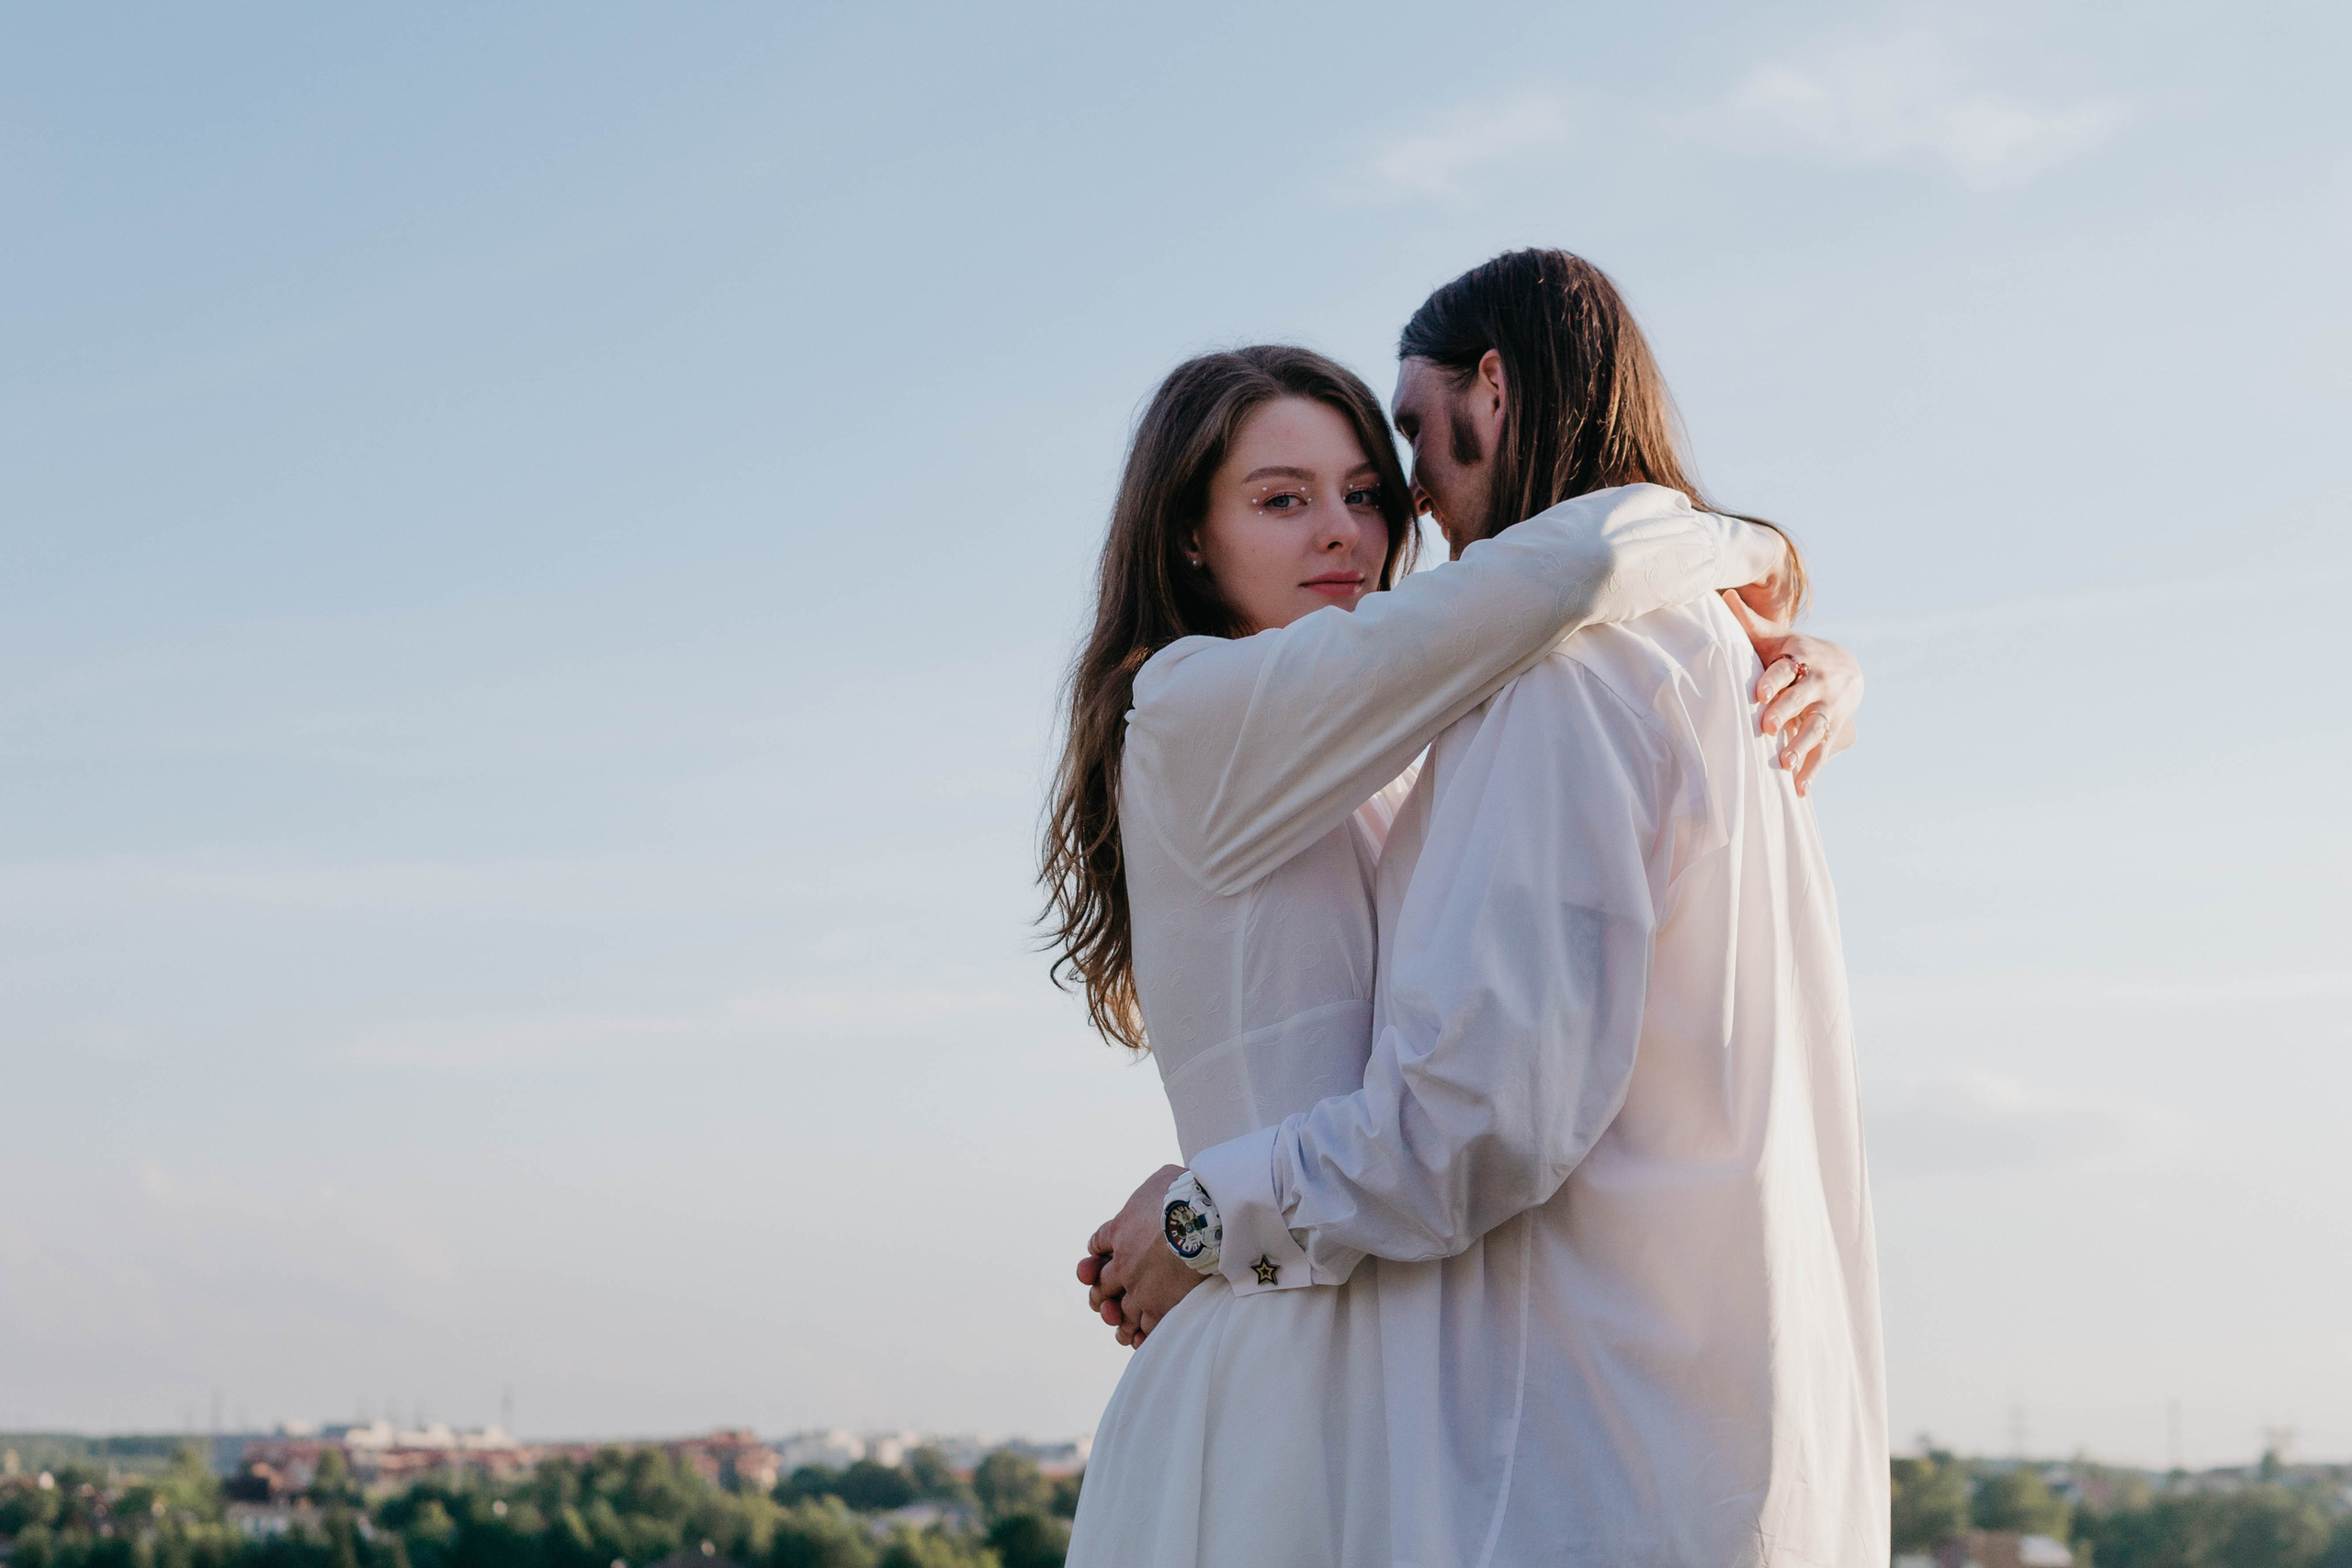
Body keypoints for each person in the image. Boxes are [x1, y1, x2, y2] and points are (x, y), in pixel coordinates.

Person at [1043, 311, 1863, 1562]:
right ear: (1189, 538)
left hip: (1399, 1377)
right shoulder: (1189, 711)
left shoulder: (1398, 738)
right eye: (1281, 499)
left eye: (1366, 494)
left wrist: (1809, 663)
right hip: (1281, 1386)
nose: (1342, 532)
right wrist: (1751, 551)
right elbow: (1569, 571)